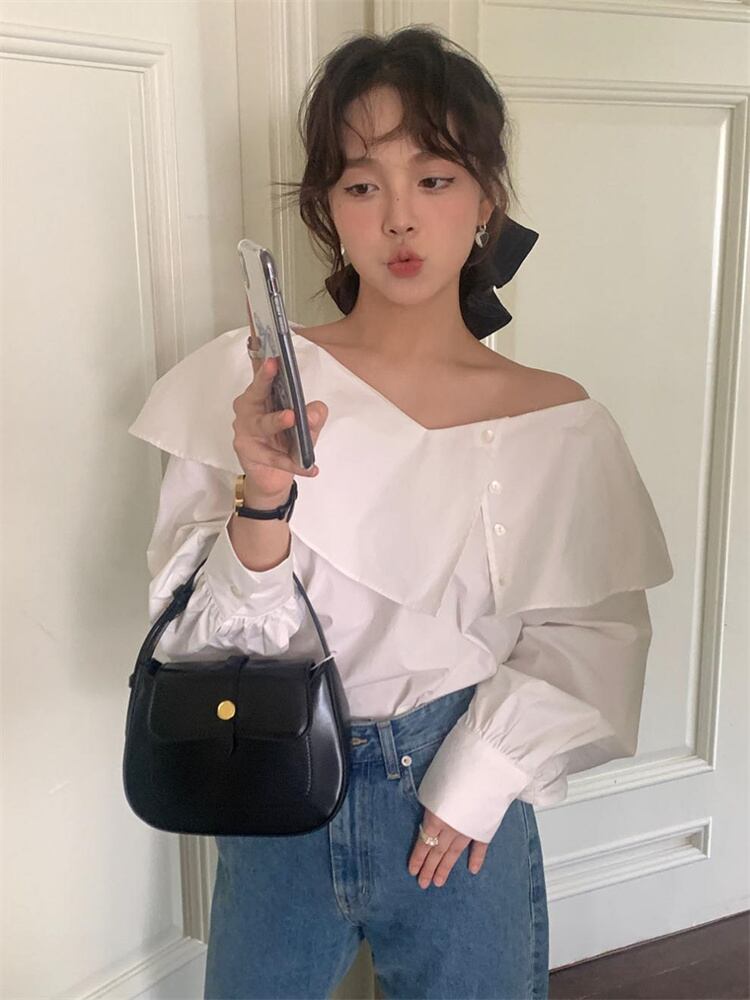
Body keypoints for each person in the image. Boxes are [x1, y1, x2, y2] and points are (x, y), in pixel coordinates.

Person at [128, 25, 674, 1000]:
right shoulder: (250, 385)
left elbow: (592, 635)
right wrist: (264, 492)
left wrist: (479, 778)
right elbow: (198, 643)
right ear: (328, 210)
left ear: (486, 200)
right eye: (361, 184)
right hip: (272, 781)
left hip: (460, 791)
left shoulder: (556, 421)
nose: (400, 218)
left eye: (434, 178)